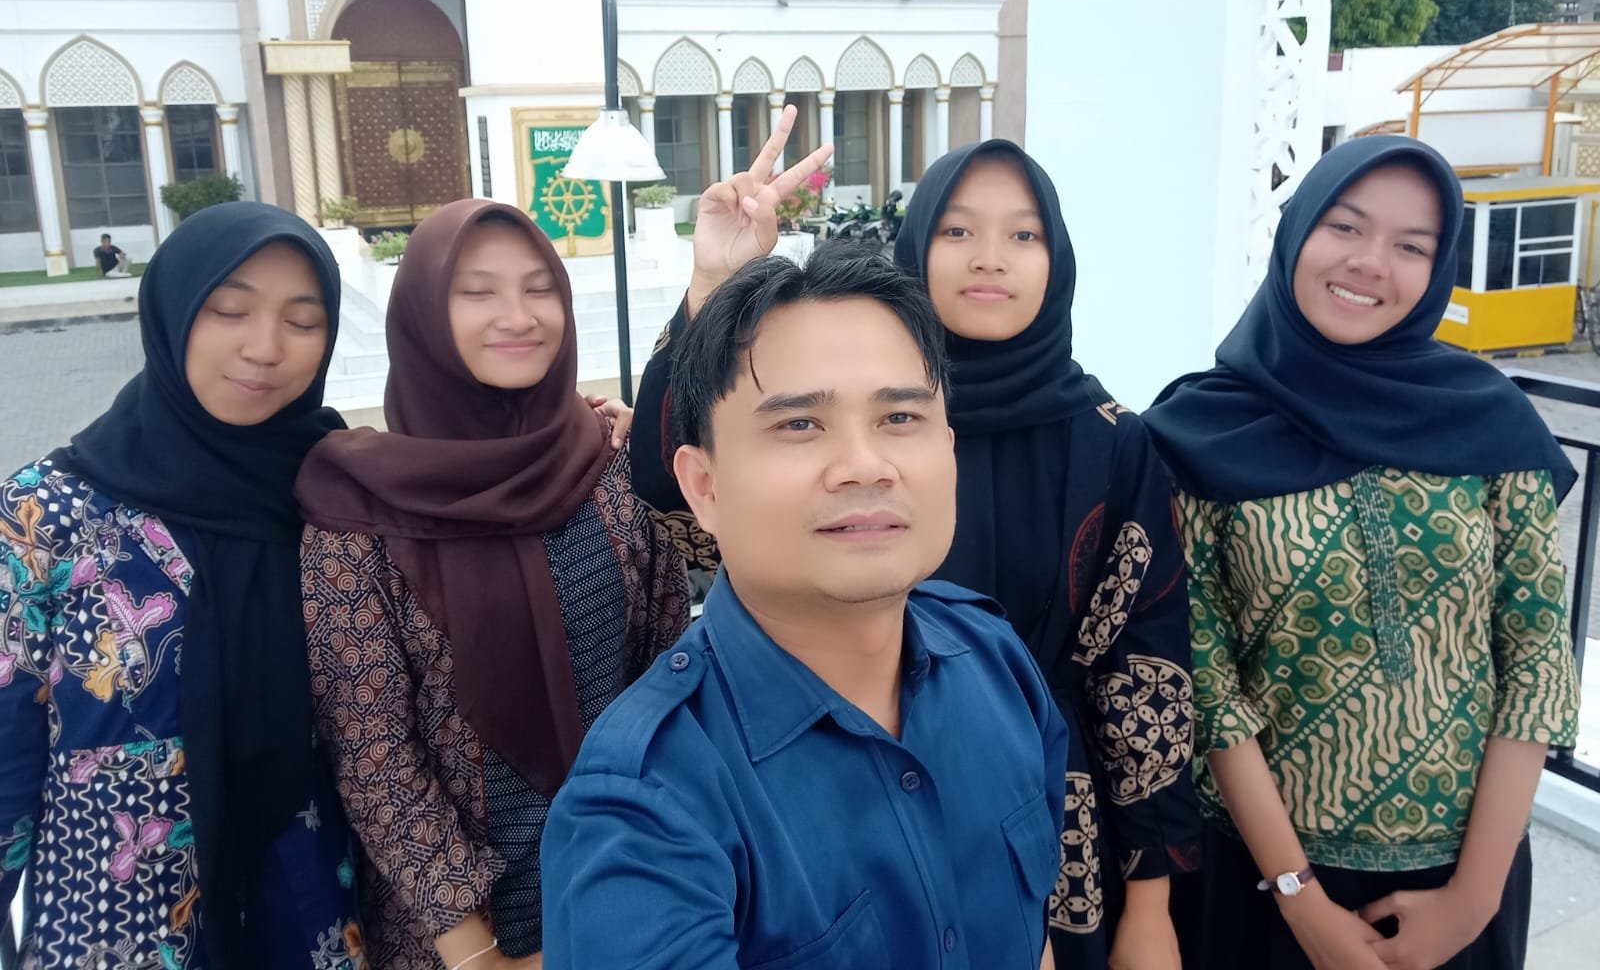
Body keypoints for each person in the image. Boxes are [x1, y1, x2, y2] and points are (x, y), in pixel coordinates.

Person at [628, 116, 1199, 969]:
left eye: (1024, 235)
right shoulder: (657, 791)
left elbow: (1143, 672)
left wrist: (1151, 905)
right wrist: (714, 280)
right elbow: (675, 494)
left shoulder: (1109, 442)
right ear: (917, 242)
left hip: (1042, 804)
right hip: (814, 773)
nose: (990, 258)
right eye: (958, 230)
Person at [541, 242, 1069, 969]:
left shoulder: (995, 658)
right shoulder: (642, 810)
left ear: (949, 450)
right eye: (799, 425)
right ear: (704, 487)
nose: (864, 466)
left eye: (900, 418)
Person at [1143, 136, 1582, 970]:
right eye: (1345, 227)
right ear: (1297, 233)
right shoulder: (1198, 433)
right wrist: (1301, 900)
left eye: (1412, 246)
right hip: (1264, 881)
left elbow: (1533, 655)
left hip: (1464, 879)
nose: (1371, 263)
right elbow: (1208, 683)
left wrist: (1473, 898)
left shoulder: (1490, 423)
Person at [295, 199, 691, 970]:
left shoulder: (608, 468)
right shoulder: (358, 514)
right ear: (422, 316)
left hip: (627, 889)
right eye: (477, 292)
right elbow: (374, 756)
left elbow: (666, 672)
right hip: (456, 940)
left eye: (540, 288)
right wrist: (478, 952)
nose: (518, 316)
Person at [0, 202, 364, 969]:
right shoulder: (46, 517)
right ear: (173, 312)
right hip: (116, 932)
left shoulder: (339, 495)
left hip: (314, 920)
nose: (265, 348)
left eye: (303, 321)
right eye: (228, 310)